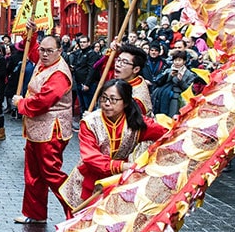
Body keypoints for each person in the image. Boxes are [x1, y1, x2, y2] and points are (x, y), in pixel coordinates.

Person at [60, 79, 167, 209]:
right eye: (104, 98)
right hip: (88, 181)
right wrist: (123, 166)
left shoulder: (136, 122)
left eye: (113, 99)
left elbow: (166, 133)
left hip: (117, 182)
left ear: (126, 102)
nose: (107, 104)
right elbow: (91, 158)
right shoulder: (90, 123)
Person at [11, 24, 73, 223]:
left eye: (49, 51)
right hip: (37, 130)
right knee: (33, 173)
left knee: (52, 174)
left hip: (51, 131)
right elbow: (32, 49)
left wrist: (21, 103)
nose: (44, 54)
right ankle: (34, 213)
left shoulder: (59, 74)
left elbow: (43, 101)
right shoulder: (44, 61)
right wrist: (32, 32)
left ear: (60, 51)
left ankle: (77, 209)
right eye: (43, 50)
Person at [113, 44, 153, 115]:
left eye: (124, 62)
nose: (118, 64)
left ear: (136, 69)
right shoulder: (131, 79)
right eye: (118, 60)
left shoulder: (136, 100)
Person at [69, 35, 100, 117]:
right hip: (79, 83)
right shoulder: (79, 53)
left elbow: (92, 70)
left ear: (88, 43)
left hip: (88, 85)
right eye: (81, 42)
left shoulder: (92, 54)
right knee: (82, 106)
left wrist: (87, 84)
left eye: (84, 42)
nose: (82, 44)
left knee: (89, 106)